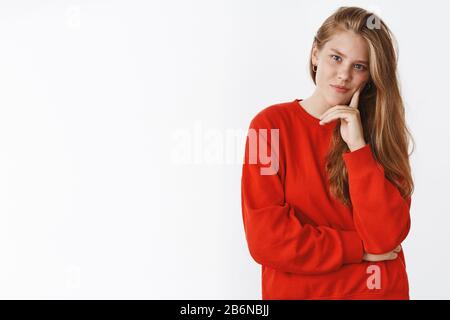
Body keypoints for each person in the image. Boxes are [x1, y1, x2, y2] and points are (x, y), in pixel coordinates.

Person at [241, 6, 414, 300]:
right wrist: (357, 248)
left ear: (370, 77)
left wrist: (358, 149)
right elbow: (266, 240)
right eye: (336, 58)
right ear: (315, 54)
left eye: (359, 66)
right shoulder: (266, 127)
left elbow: (385, 238)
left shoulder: (382, 135)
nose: (344, 75)